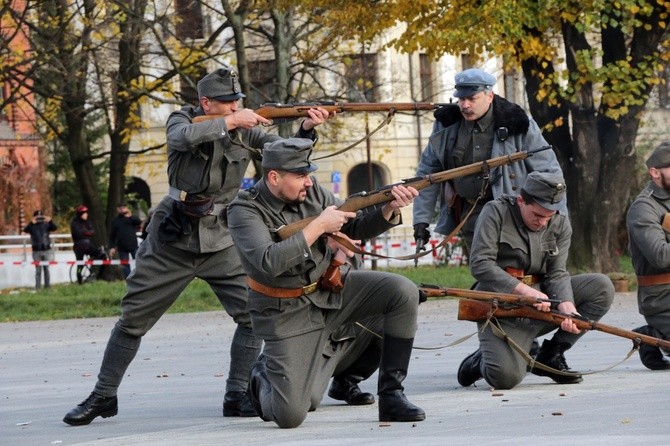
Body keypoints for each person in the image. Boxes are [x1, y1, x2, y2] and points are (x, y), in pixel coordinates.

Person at [63, 66, 332, 426]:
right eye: (228, 102)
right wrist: (231, 123)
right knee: (132, 321)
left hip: (222, 239)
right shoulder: (182, 120)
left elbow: (282, 157)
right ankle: (103, 395)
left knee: (252, 316)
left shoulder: (246, 129)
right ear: (205, 102)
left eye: (238, 101)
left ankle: (237, 394)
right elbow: (182, 139)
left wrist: (306, 130)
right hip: (172, 239)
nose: (237, 106)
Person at [227, 138, 425, 428]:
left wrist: (388, 209)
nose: (309, 182)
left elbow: (353, 225)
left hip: (330, 291)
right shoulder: (244, 210)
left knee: (401, 292)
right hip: (286, 311)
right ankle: (262, 376)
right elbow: (268, 261)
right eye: (300, 176)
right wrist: (318, 226)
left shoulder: (311, 193)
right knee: (292, 414)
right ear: (273, 177)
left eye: (308, 174)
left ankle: (392, 396)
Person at [456, 171, 614, 389]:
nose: (543, 222)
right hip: (501, 306)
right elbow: (481, 264)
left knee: (601, 287)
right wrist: (525, 291)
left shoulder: (559, 222)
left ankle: (551, 354)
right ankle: (481, 360)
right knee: (505, 378)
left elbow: (557, 272)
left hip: (543, 302)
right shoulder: (496, 212)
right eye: (538, 215)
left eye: (549, 216)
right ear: (521, 200)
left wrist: (567, 305)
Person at [412, 68, 565, 253]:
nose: (465, 105)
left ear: (489, 96)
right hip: (470, 215)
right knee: (483, 271)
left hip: (512, 215)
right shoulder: (446, 126)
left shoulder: (517, 123)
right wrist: (421, 221)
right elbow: (427, 174)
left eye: (472, 99)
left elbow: (549, 173)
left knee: (515, 269)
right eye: (461, 99)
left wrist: (557, 218)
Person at [626, 141, 670, 370]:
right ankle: (653, 335)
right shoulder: (643, 208)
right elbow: (661, 256)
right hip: (661, 298)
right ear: (655, 172)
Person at [23, 210, 58, 289]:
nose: (39, 219)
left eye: (41, 217)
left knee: (46, 269)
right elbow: (25, 230)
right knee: (38, 270)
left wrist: (50, 221)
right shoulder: (32, 226)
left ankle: (47, 286)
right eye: (37, 217)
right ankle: (38, 287)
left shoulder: (46, 225)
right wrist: (31, 223)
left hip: (46, 249)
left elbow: (55, 228)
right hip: (36, 250)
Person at [70, 205, 104, 284]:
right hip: (79, 247)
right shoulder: (74, 222)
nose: (86, 215)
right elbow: (77, 234)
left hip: (87, 246)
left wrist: (85, 232)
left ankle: (98, 275)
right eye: (84, 214)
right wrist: (86, 232)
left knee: (102, 255)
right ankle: (79, 281)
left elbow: (91, 231)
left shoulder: (87, 222)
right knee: (80, 265)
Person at [108, 202, 142, 278]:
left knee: (138, 262)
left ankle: (139, 277)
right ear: (117, 209)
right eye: (120, 208)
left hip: (133, 245)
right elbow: (112, 235)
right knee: (125, 265)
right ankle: (128, 278)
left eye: (124, 207)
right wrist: (112, 247)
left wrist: (131, 216)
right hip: (122, 247)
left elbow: (139, 222)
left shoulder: (131, 218)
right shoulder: (116, 221)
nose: (122, 209)